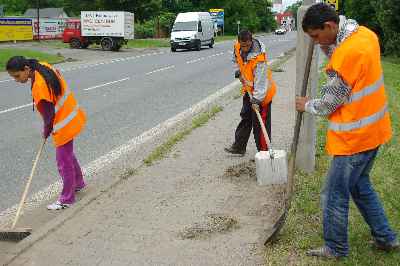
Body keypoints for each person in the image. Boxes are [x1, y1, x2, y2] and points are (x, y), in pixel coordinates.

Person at [296, 3, 398, 259]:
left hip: (354, 138)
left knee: (333, 194)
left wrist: (306, 105)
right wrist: (326, 46)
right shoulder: (365, 35)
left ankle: (336, 248)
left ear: (330, 26)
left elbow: (330, 102)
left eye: (316, 36)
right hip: (375, 131)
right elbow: (353, 71)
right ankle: (385, 237)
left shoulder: (347, 55)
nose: (316, 42)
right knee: (360, 186)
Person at [6, 56, 87, 211]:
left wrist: (46, 131)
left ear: (26, 69)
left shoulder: (39, 87)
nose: (16, 80)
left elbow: (48, 117)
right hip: (71, 114)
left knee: (63, 163)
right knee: (68, 156)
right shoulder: (42, 65)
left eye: (17, 76)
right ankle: (78, 183)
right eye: (13, 77)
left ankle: (67, 199)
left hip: (64, 123)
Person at [224, 30, 276, 155]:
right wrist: (238, 72)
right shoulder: (237, 47)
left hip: (262, 94)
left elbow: (261, 81)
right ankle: (239, 146)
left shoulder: (259, 58)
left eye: (247, 45)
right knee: (245, 117)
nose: (245, 48)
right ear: (239, 42)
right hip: (249, 90)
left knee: (260, 123)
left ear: (251, 40)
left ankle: (264, 154)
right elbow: (236, 60)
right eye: (243, 46)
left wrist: (257, 100)